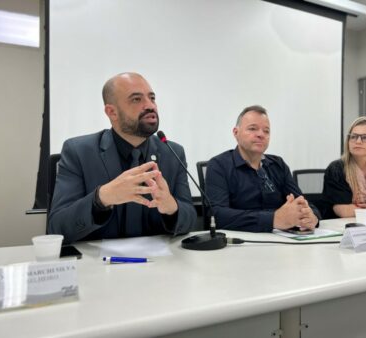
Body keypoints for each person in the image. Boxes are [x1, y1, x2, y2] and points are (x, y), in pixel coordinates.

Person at [48, 72, 197, 243]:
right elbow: (57, 228)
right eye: (136, 99)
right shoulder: (78, 152)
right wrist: (102, 198)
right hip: (98, 266)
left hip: (159, 264)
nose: (150, 106)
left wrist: (172, 208)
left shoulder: (173, 153)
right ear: (112, 112)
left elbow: (191, 221)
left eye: (152, 98)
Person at [205, 105, 320, 232]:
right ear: (236, 133)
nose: (261, 134)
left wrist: (312, 217)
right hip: (241, 242)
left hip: (283, 242)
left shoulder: (278, 165)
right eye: (253, 128)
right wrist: (273, 219)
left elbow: (302, 202)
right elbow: (217, 215)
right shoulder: (219, 165)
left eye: (266, 131)